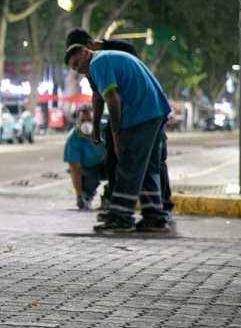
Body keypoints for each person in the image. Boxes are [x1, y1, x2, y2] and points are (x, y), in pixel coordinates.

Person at [65, 43, 174, 234]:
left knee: (129, 164)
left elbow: (112, 99)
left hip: (141, 112)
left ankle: (121, 217)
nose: (79, 69)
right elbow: (98, 97)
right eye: (74, 68)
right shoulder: (98, 65)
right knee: (147, 166)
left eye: (77, 63)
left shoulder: (98, 62)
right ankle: (154, 216)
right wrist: (97, 127)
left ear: (84, 52)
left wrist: (116, 133)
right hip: (155, 110)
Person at [64, 106, 107, 211]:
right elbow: (75, 169)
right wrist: (79, 195)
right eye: (82, 121)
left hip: (107, 164)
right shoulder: (73, 139)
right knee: (88, 180)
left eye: (90, 120)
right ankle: (86, 195)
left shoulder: (106, 129)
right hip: (88, 169)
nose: (86, 124)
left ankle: (111, 194)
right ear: (77, 122)